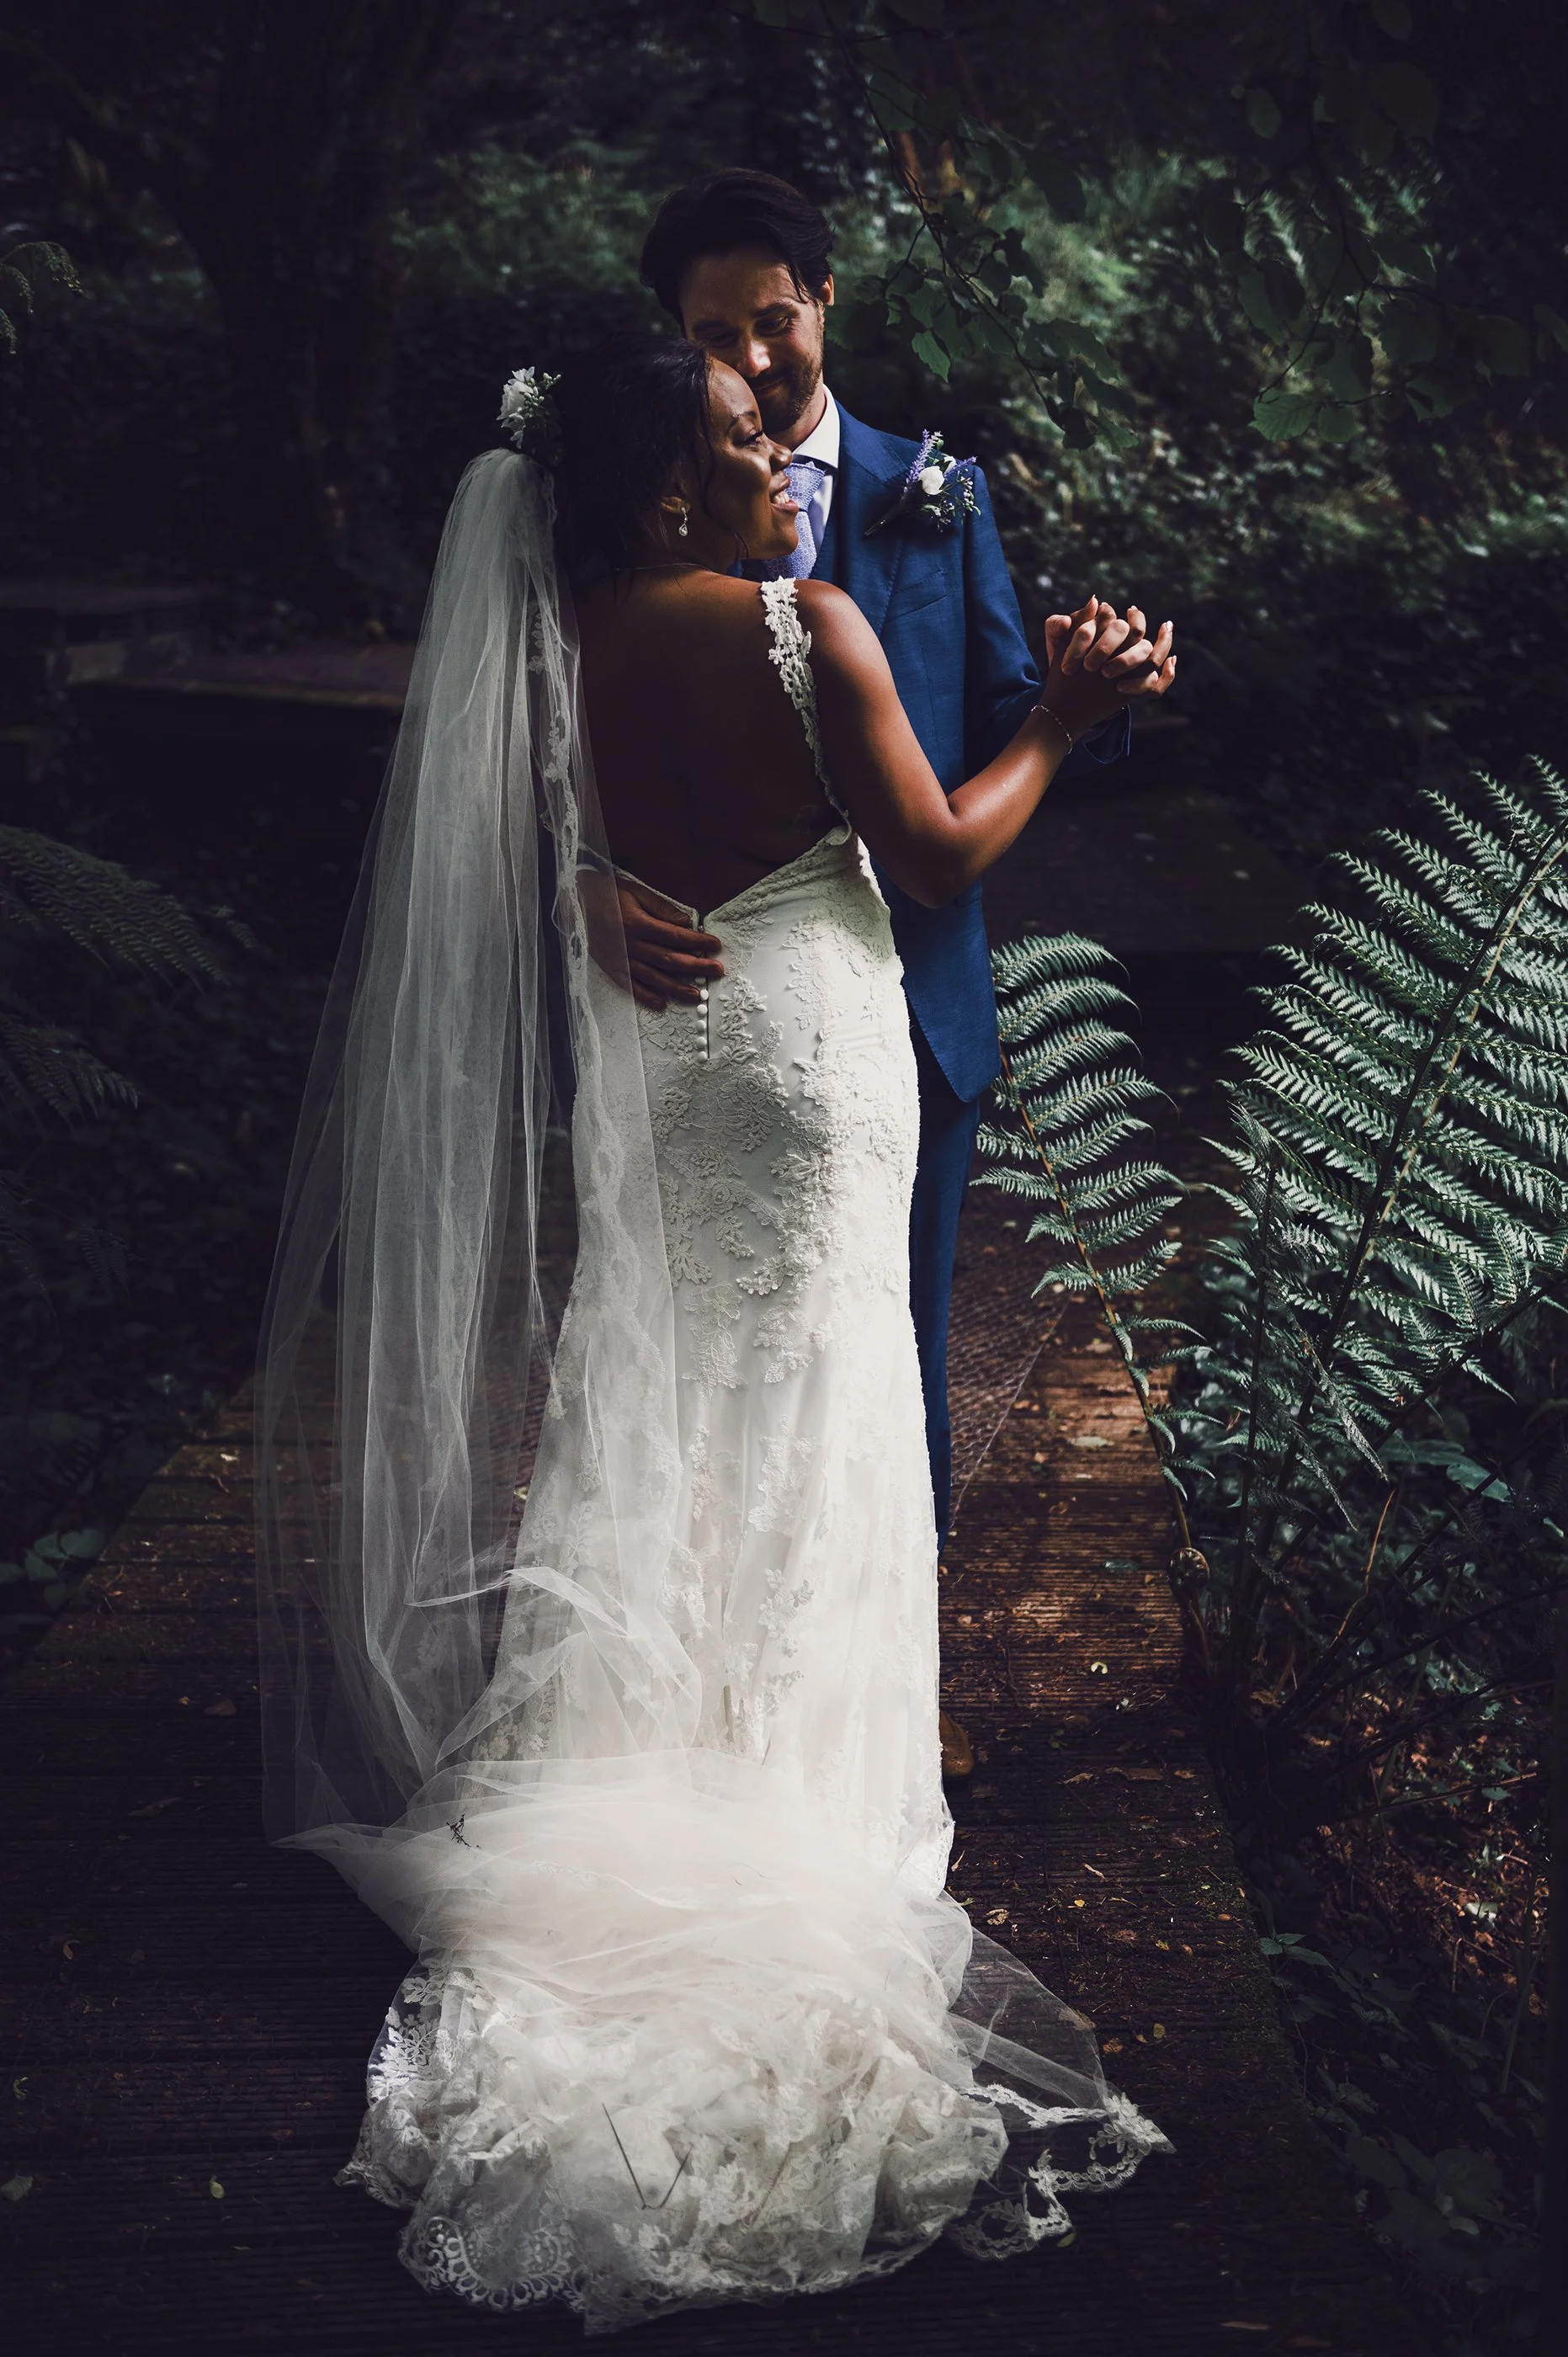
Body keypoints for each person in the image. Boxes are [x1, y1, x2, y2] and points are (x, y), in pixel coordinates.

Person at [256, 332, 1174, 2336]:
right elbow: (935, 848)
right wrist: (1078, 712)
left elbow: (519, 838)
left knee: (670, 1391)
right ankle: (796, 1806)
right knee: (824, 1395)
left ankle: (671, 1755)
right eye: (758, 447)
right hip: (804, 1049)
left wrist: (593, 876)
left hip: (666, 1069)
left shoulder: (562, 632)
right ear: (674, 486)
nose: (794, 470)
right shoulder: (802, 624)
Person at [625, 169, 1144, 1567]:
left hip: (908, 1002)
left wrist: (1091, 701)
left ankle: (890, 1678)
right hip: (705, 999)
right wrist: (575, 884)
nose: (749, 357)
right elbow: (542, 738)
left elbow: (1000, 723)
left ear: (825, 301)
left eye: (773, 318)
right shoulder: (629, 510)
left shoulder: (940, 494)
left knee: (896, 1341)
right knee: (697, 1336)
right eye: (712, 331)